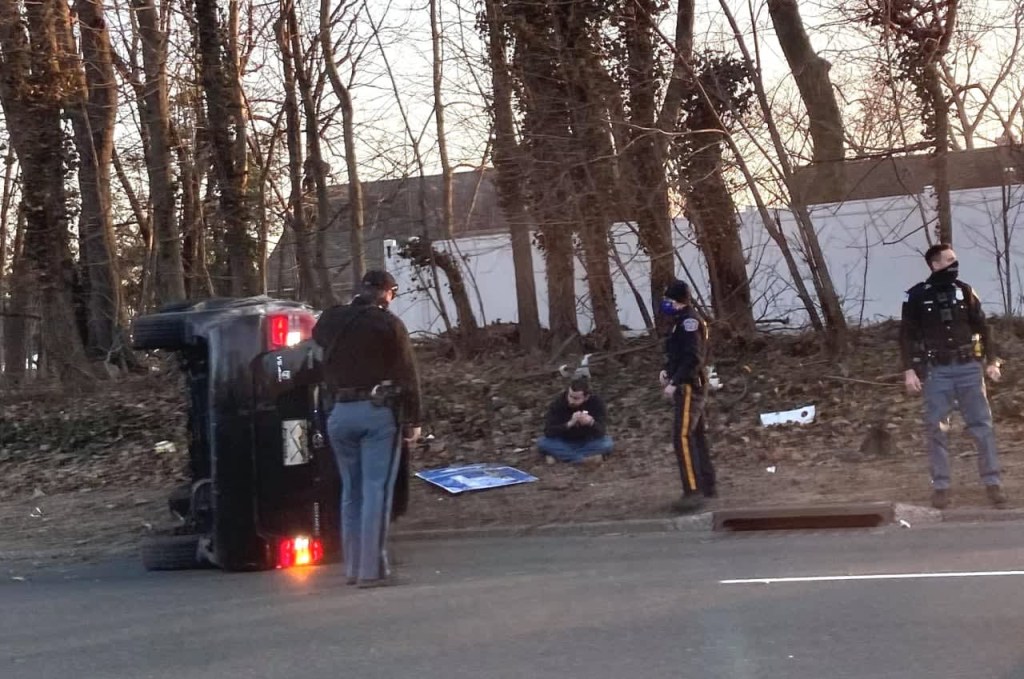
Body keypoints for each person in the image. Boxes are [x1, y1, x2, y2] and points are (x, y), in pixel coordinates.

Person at [312, 270, 422, 587]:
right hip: (376, 414)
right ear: (386, 293)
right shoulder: (388, 324)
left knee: (351, 490)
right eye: (393, 293)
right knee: (376, 490)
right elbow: (407, 374)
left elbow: (317, 339)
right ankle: (371, 571)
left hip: (338, 415)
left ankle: (352, 568)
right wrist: (413, 420)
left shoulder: (331, 320)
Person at [900, 243, 1006, 509]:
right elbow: (907, 335)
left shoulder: (966, 291)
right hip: (937, 371)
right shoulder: (917, 296)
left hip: (969, 367)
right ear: (935, 264)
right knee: (936, 428)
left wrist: (992, 361)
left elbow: (983, 328)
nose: (955, 264)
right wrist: (910, 369)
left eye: (955, 259)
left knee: (982, 427)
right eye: (949, 260)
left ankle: (993, 483)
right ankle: (941, 487)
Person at [658, 280, 716, 513]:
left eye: (669, 301)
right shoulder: (680, 322)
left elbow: (693, 357)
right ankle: (707, 484)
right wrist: (667, 371)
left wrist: (675, 382)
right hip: (687, 382)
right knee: (696, 435)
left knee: (681, 437)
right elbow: (678, 354)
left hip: (690, 387)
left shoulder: (690, 322)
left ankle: (693, 491)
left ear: (678, 301)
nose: (666, 305)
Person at [537, 377, 613, 464]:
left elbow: (602, 431)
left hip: (587, 441)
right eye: (570, 396)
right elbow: (548, 431)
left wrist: (591, 422)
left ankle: (562, 457)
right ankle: (582, 460)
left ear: (586, 397)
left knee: (607, 443)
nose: (571, 401)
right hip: (564, 440)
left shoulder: (596, 403)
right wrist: (569, 424)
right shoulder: (558, 403)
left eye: (576, 398)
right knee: (543, 443)